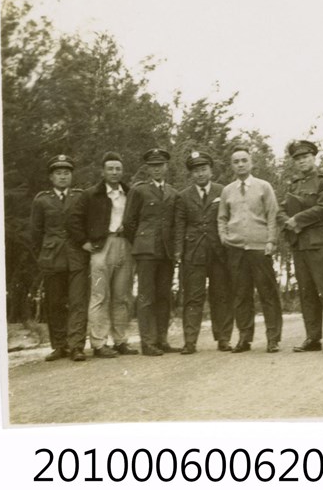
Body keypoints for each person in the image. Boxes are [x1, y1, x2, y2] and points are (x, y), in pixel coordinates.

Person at [67, 151, 138, 358]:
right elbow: (73, 220)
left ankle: (121, 341)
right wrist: (84, 242)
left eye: (118, 169)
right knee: (100, 296)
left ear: (122, 171)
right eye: (110, 169)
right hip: (101, 247)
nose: (114, 172)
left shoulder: (130, 193)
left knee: (122, 296)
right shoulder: (91, 194)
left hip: (124, 245)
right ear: (103, 171)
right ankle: (99, 343)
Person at [217, 145, 282, 353]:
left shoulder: (264, 186)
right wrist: (224, 237)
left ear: (251, 162)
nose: (240, 164)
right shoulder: (227, 191)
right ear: (232, 166)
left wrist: (271, 241)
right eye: (236, 161)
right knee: (241, 294)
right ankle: (244, 338)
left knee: (267, 293)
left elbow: (272, 215)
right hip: (236, 249)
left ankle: (273, 338)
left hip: (260, 247)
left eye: (244, 160)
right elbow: (222, 217)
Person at [279, 140, 323, 354]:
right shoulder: (294, 185)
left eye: (305, 157)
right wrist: (286, 220)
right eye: (297, 158)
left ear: (314, 157)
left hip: (319, 243)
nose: (301, 161)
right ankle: (313, 337)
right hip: (299, 245)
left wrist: (296, 220)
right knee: (306, 292)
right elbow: (281, 209)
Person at [174, 150, 234, 354]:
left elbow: (229, 220)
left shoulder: (223, 191)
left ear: (211, 171)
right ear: (191, 174)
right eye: (196, 171)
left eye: (203, 169)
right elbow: (179, 226)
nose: (200, 174)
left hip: (219, 252)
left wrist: (230, 247)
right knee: (193, 297)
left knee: (222, 295)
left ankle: (223, 338)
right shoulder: (183, 196)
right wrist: (178, 252)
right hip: (193, 253)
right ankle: (190, 341)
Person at [29, 154, 87, 361]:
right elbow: (35, 233)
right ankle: (60, 346)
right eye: (59, 173)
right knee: (54, 303)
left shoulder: (80, 197)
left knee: (78, 302)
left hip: (77, 257)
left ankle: (76, 346)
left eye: (67, 173)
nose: (63, 177)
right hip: (52, 258)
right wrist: (43, 255)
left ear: (71, 176)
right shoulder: (42, 200)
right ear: (51, 177)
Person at [123, 148, 180, 356]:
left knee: (164, 296)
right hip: (146, 251)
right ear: (148, 169)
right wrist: (140, 241)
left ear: (166, 167)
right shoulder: (139, 191)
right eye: (153, 166)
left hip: (166, 251)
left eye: (160, 165)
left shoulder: (173, 193)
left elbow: (174, 224)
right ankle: (147, 342)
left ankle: (161, 340)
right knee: (146, 296)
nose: (157, 170)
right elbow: (128, 222)